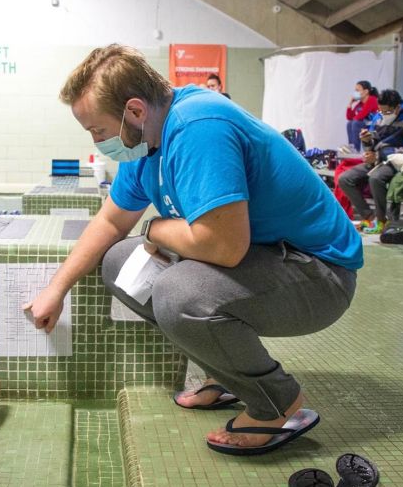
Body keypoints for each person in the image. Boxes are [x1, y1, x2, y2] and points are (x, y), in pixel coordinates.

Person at [24, 44, 361, 456]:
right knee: (120, 263)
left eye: (97, 130)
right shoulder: (144, 143)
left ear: (134, 111)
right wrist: (57, 288)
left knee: (178, 292)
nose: (97, 141)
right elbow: (110, 222)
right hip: (266, 259)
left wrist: (157, 228)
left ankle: (276, 404)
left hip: (319, 276)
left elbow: (224, 247)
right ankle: (229, 376)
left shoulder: (199, 126)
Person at [338, 89, 403, 233]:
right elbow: (372, 143)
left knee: (375, 178)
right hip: (378, 160)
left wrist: (378, 156)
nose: (383, 114)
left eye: (387, 112)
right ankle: (369, 217)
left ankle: (382, 220)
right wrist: (366, 142)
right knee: (344, 179)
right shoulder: (378, 117)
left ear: (397, 108)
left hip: (399, 161)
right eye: (381, 110)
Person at [346, 80, 379, 151]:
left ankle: (355, 150)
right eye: (355, 90)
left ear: (366, 91)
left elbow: (361, 116)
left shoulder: (372, 99)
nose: (355, 93)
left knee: (356, 123)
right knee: (350, 123)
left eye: (357, 90)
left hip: (374, 126)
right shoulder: (360, 103)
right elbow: (349, 117)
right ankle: (351, 148)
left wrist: (355, 119)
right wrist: (350, 103)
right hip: (365, 125)